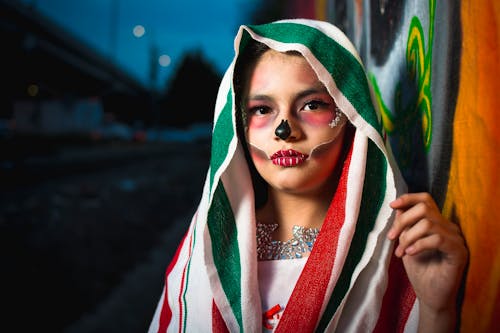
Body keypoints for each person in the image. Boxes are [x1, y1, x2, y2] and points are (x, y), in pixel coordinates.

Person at [148, 19, 468, 332]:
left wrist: (436, 311)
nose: (284, 130)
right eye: (262, 109)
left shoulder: (397, 251)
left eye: (312, 105)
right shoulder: (206, 254)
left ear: (352, 118)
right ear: (236, 126)